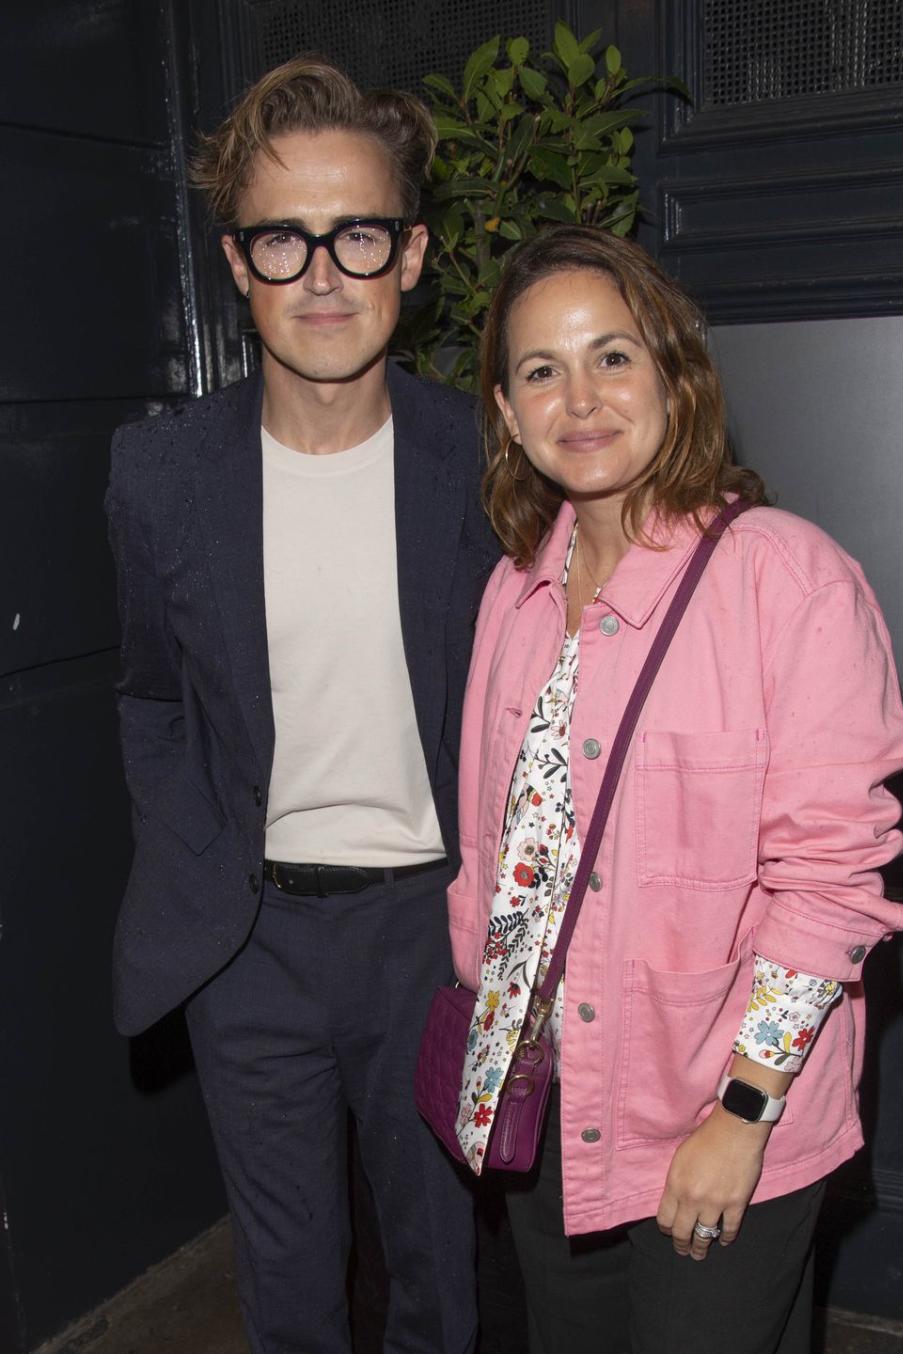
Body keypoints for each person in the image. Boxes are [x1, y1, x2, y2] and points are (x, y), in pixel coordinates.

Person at [446, 225, 903, 1354]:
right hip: (549, 1098)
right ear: (508, 411)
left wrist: (744, 1115)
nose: (581, 397)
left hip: (713, 1110)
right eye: (541, 370)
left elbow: (832, 886)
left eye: (613, 356)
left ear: (674, 370)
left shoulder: (786, 579)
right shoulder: (513, 591)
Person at [105, 54, 498, 1354]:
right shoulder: (158, 474)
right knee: (287, 1284)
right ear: (237, 262)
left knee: (442, 1272)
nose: (321, 273)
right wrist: (198, 856)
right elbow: (152, 696)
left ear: (413, 253)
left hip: (430, 937)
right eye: (284, 238)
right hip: (252, 943)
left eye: (357, 234)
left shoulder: (489, 462)